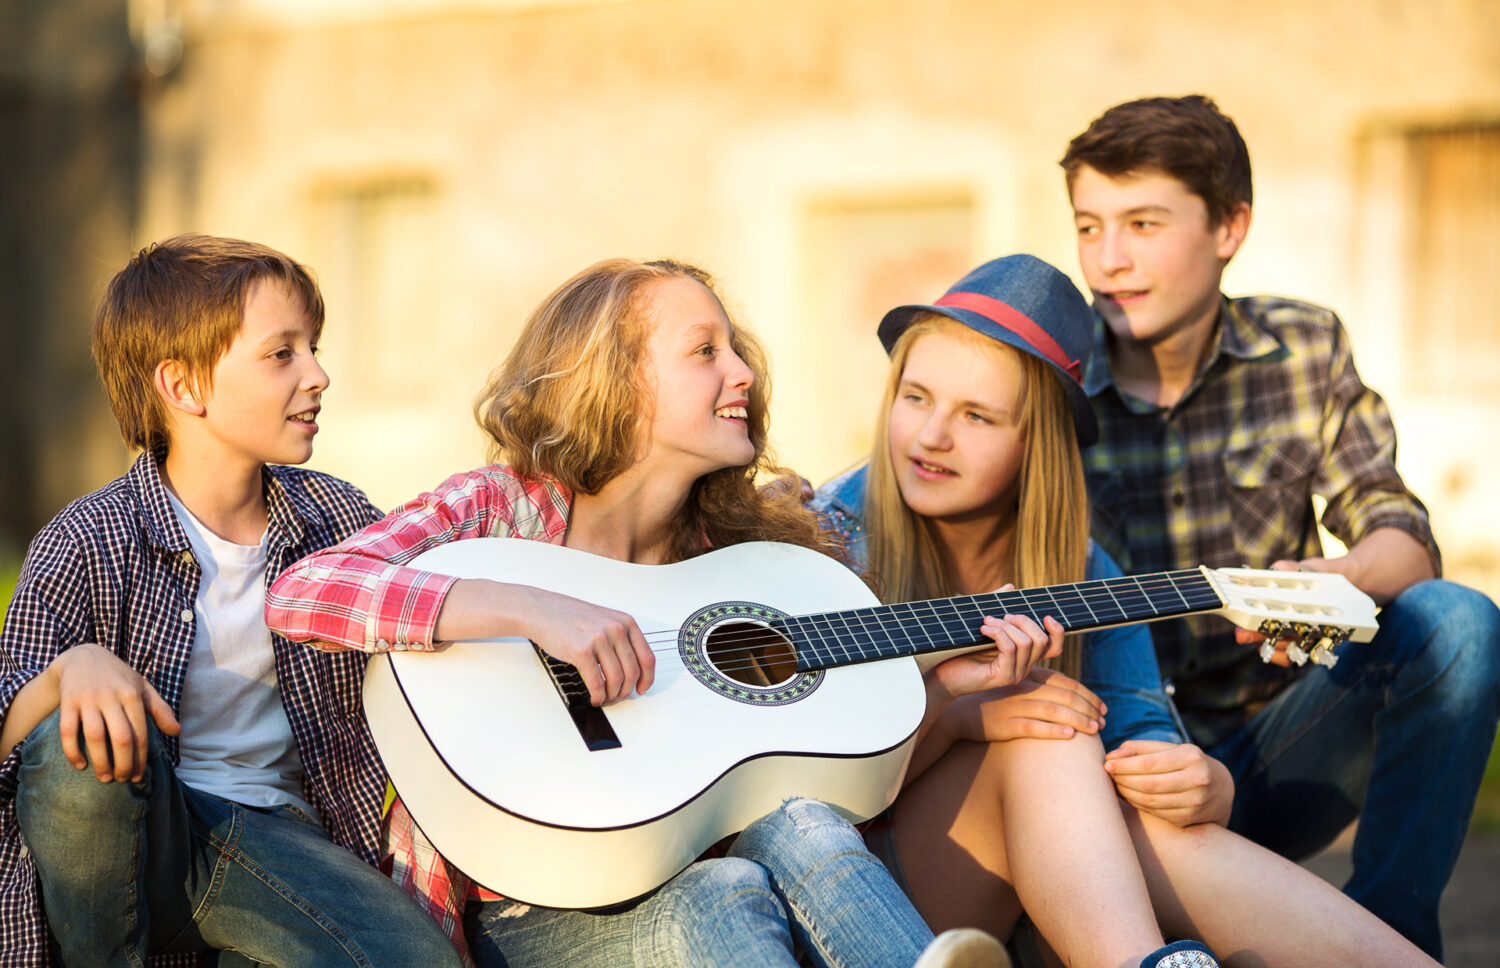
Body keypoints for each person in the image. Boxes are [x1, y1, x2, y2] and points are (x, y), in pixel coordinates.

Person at [264, 257, 1010, 968]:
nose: (743, 371)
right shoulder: (499, 507)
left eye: (735, 348)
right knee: (722, 895)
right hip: (525, 916)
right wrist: (532, 610)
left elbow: (828, 792)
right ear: (616, 383)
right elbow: (305, 590)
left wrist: (943, 684)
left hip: (705, 878)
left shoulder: (738, 566)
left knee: (799, 826)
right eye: (705, 351)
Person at [814, 254, 1438, 968]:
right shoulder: (822, 538)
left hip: (1028, 879)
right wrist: (957, 712)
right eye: (916, 398)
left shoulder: (1083, 574)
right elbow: (803, 798)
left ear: (1034, 446)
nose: (930, 436)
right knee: (1043, 725)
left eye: (977, 415)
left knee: (1132, 800)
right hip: (850, 894)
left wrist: (1206, 785)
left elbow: (1143, 744)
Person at [1060, 94, 1500, 959]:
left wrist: (1336, 581)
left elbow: (1401, 536)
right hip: (1118, 772)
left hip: (1276, 752)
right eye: (1087, 226)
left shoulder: (1305, 349)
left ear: (1231, 226)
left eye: (1143, 223)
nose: (1108, 261)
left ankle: (1389, 942)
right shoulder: (1052, 377)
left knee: (1459, 624)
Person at [0, 236, 460, 967]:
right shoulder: (87, 539)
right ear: (184, 388)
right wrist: (72, 670)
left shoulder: (339, 522)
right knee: (70, 743)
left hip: (283, 845)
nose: (319, 374)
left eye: (313, 347)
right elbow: (10, 745)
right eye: (283, 354)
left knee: (417, 958)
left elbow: (439, 621)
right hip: (134, 846)